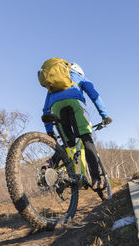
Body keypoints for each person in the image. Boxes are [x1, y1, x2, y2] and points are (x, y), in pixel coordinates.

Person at [39, 58, 112, 190]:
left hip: (56, 107)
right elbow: (95, 96)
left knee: (68, 144)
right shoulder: (80, 77)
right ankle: (96, 179)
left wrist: (49, 130)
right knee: (86, 139)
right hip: (75, 103)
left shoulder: (54, 84)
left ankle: (50, 163)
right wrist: (104, 116)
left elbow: (46, 108)